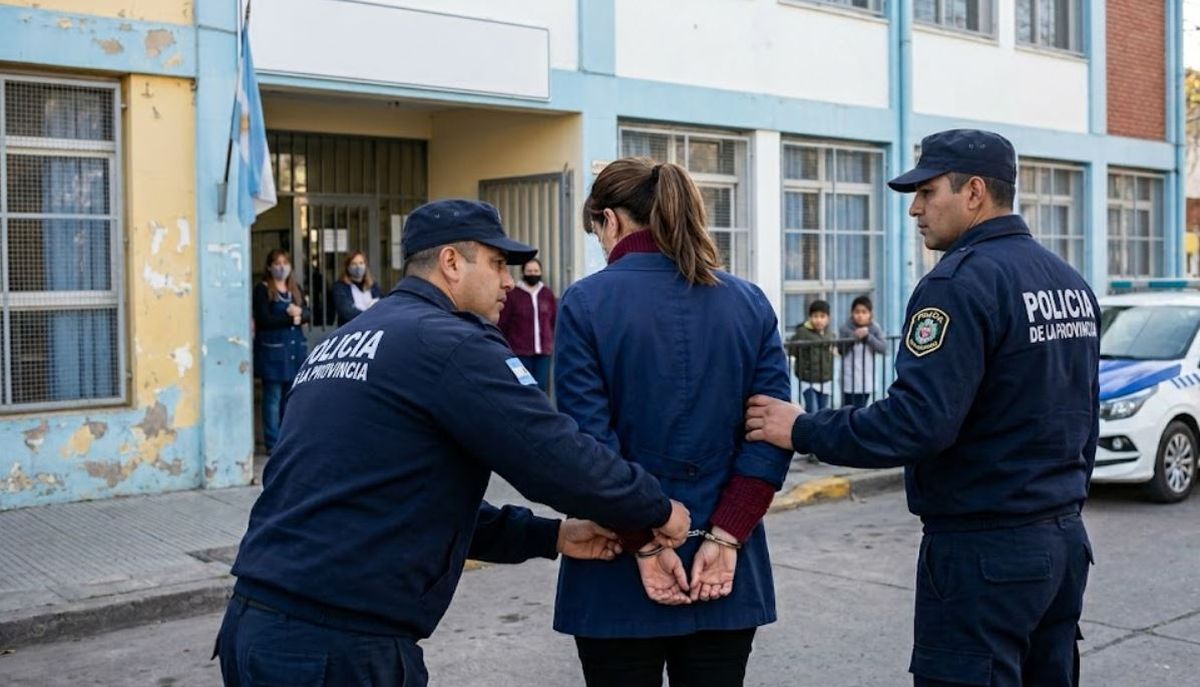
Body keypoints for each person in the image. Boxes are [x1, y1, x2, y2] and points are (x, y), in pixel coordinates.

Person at [216, 199, 691, 687]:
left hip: (256, 625)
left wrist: (550, 536)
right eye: (496, 263)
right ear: (450, 262)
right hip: (337, 646)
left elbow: (403, 497)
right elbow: (551, 454)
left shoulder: (347, 338)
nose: (509, 281)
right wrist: (655, 508)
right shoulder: (450, 341)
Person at [745, 129, 1099, 687]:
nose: (915, 209)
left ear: (974, 192)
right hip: (1062, 541)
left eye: (928, 192)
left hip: (985, 551)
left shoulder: (958, 284)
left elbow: (916, 423)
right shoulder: (1068, 282)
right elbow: (1083, 416)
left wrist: (803, 429)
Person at [555, 158, 793, 687]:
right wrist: (727, 535)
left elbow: (588, 446)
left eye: (596, 230)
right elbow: (772, 432)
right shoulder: (748, 302)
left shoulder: (586, 302)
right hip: (725, 565)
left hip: (616, 564)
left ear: (610, 220)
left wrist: (643, 541)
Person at [252, 249, 309, 454]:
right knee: (273, 398)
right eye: (277, 263)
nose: (281, 267)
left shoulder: (295, 288)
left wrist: (300, 315)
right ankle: (273, 443)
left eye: (285, 263)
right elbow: (264, 319)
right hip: (273, 352)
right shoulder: (263, 289)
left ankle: (287, 440)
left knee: (290, 398)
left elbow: (308, 313)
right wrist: (291, 318)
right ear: (269, 267)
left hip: (294, 350)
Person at [497, 257, 557, 391]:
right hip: (519, 352)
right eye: (529, 271)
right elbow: (503, 322)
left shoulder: (547, 294)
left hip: (543, 352)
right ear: (523, 272)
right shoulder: (513, 295)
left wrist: (551, 342)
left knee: (541, 387)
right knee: (523, 388)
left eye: (536, 271)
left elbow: (553, 320)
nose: (533, 274)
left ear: (541, 272)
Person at [838, 296, 887, 408]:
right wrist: (853, 337)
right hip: (849, 377)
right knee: (847, 409)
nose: (860, 315)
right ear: (852, 313)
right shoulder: (845, 328)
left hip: (866, 378)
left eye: (864, 312)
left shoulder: (874, 328)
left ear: (870, 314)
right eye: (857, 312)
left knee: (861, 408)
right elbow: (841, 350)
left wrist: (868, 337)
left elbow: (883, 348)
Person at [790, 300, 835, 412]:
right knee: (813, 409)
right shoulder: (802, 332)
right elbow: (792, 349)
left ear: (828, 318)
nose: (819, 320)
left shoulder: (830, 334)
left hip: (825, 378)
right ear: (810, 317)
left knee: (823, 410)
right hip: (808, 379)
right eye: (815, 316)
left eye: (822, 316)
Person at [332, 250, 382, 326]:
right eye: (354, 264)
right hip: (351, 329)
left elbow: (382, 305)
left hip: (373, 328)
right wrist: (371, 316)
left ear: (365, 265)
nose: (358, 267)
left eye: (361, 263)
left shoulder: (373, 286)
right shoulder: (340, 287)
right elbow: (346, 312)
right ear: (347, 267)